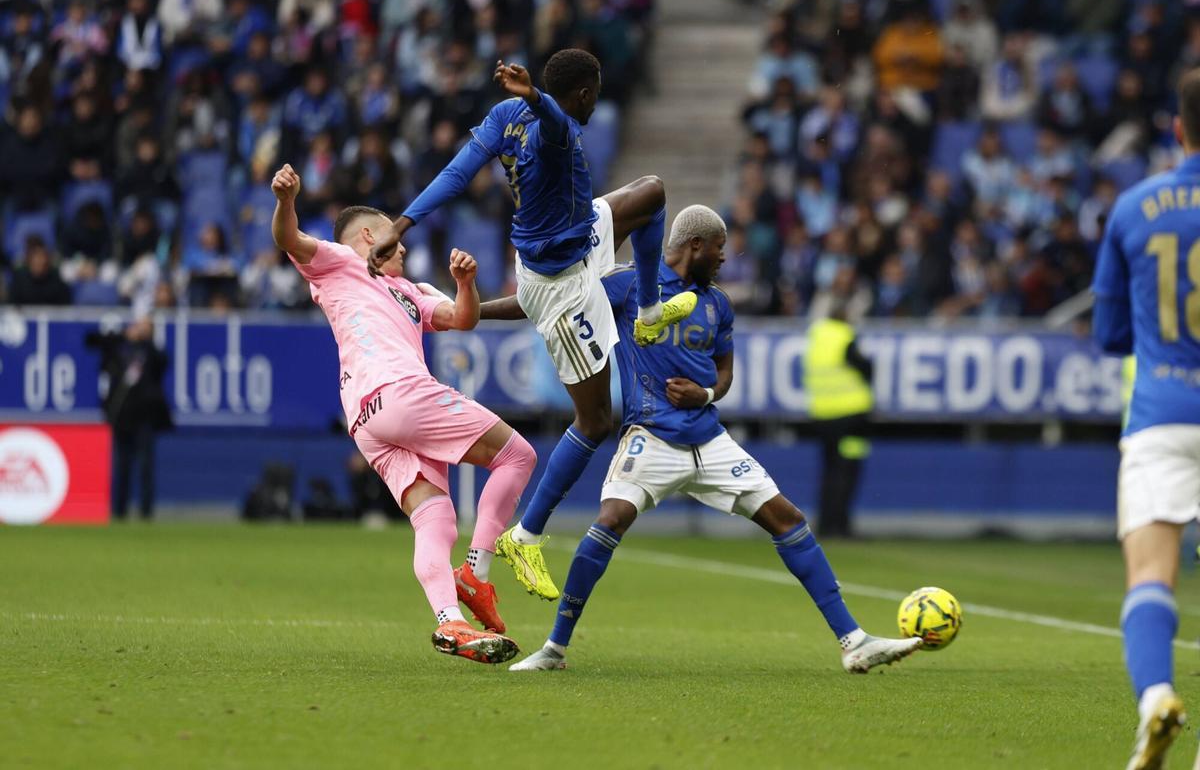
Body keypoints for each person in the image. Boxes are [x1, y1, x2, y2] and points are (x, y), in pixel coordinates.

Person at [491, 205, 921, 673]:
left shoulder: (717, 302)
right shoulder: (630, 284)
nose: (723, 260)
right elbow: (548, 299)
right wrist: (471, 312)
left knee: (788, 518)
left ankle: (853, 640)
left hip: (709, 438)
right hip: (650, 436)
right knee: (610, 520)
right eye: (719, 250)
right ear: (696, 245)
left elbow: (726, 371)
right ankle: (554, 649)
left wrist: (707, 392)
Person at [369, 48, 695, 601]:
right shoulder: (559, 125)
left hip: (574, 236)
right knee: (594, 421)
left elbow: (456, 172)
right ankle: (527, 535)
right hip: (560, 284)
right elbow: (548, 123)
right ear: (586, 94)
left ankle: (645, 311)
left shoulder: (504, 117)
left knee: (652, 193)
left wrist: (401, 223)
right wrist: (538, 99)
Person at [270, 163, 537, 665]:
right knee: (518, 456)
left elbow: (463, 318)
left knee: (435, 519)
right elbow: (290, 238)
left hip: (367, 419)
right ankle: (476, 575)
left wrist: (465, 283)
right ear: (372, 235)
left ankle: (449, 621)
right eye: (398, 236)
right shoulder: (340, 262)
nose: (406, 247)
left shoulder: (411, 291)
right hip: (399, 390)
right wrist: (286, 200)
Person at [1091, 68, 1200, 769]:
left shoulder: (1134, 206)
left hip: (1161, 413)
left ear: (1178, 126)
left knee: (1151, 577)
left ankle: (1157, 694)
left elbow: (1108, 335)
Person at [84, 317, 173, 520]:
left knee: (145, 466)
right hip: (121, 415)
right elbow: (90, 340)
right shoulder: (118, 347)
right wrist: (124, 335)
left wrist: (147, 340)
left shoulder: (150, 352)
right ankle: (119, 510)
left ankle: (146, 512)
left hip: (145, 416)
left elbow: (163, 362)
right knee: (121, 465)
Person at [802, 307, 874, 538]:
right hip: (851, 413)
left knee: (829, 470)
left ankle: (825, 524)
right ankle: (841, 525)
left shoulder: (815, 338)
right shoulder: (844, 336)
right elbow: (864, 367)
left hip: (822, 415)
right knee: (847, 470)